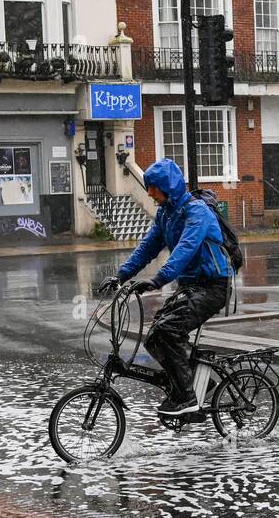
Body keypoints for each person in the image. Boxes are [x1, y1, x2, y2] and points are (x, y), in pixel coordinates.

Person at [98, 158, 229, 415]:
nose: (149, 193)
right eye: (148, 187)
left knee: (169, 330)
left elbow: (185, 250)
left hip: (213, 286)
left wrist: (158, 279)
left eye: (153, 187)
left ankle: (188, 398)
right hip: (191, 286)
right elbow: (147, 247)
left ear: (167, 186)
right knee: (156, 335)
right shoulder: (166, 215)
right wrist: (121, 275)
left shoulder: (197, 211)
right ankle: (192, 382)